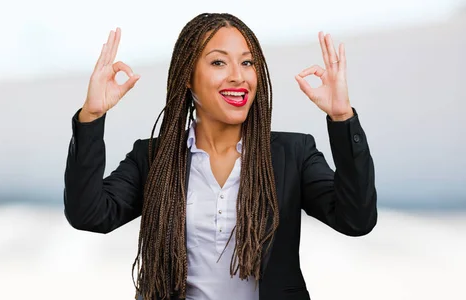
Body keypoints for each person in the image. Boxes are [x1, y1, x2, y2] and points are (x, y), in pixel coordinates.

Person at [63, 12, 377, 300]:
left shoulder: (293, 154)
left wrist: (342, 118)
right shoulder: (153, 158)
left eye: (247, 63)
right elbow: (89, 214)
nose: (239, 77)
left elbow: (356, 220)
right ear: (188, 77)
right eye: (218, 63)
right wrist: (92, 116)